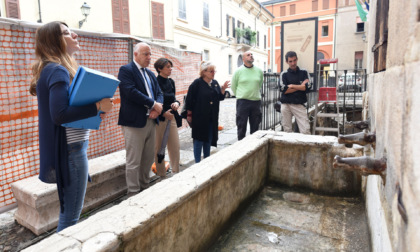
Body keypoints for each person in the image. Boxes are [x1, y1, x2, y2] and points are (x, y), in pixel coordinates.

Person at [29, 21, 114, 232]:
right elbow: (59, 115)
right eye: (66, 33)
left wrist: (92, 114)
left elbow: (65, 111)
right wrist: (96, 106)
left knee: (69, 213)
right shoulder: (58, 71)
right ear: (54, 41)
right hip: (72, 152)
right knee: (70, 219)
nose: (74, 34)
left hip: (69, 150)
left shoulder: (51, 70)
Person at [118, 42, 163, 195]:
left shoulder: (150, 74)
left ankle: (144, 187)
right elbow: (130, 91)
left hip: (151, 120)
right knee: (134, 160)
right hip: (134, 122)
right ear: (136, 54)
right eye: (146, 54)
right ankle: (133, 192)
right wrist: (153, 104)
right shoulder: (126, 70)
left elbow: (159, 93)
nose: (149, 57)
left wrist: (157, 108)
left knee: (148, 159)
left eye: (150, 54)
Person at [185, 61, 229, 163]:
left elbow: (219, 97)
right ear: (204, 72)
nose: (213, 73)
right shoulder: (197, 83)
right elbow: (189, 100)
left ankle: (206, 160)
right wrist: (189, 115)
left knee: (208, 139)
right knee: (199, 140)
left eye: (214, 71)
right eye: (211, 71)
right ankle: (197, 162)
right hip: (199, 117)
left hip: (211, 118)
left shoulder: (215, 83)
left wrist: (222, 89)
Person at [153, 58, 181, 177]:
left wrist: (177, 103)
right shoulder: (154, 82)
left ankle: (176, 172)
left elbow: (173, 98)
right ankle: (161, 175)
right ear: (159, 69)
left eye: (171, 66)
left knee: (175, 146)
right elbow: (154, 101)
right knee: (159, 147)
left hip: (172, 117)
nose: (170, 69)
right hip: (160, 118)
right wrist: (164, 113)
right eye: (168, 67)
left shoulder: (171, 82)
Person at [231, 51, 264, 141]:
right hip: (243, 102)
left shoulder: (259, 71)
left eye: (251, 54)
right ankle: (241, 147)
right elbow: (233, 86)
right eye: (248, 55)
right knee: (241, 126)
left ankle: (254, 147)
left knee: (255, 127)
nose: (251, 56)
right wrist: (241, 95)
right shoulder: (238, 71)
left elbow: (259, 84)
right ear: (243, 59)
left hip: (256, 102)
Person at [279, 51, 312, 134]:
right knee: (287, 131)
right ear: (287, 62)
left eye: (294, 60)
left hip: (299, 104)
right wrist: (300, 86)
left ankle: (306, 147)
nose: (293, 63)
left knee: (305, 130)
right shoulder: (284, 74)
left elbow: (307, 87)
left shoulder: (304, 72)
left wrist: (292, 86)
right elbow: (284, 90)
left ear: (297, 59)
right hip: (285, 104)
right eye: (290, 61)